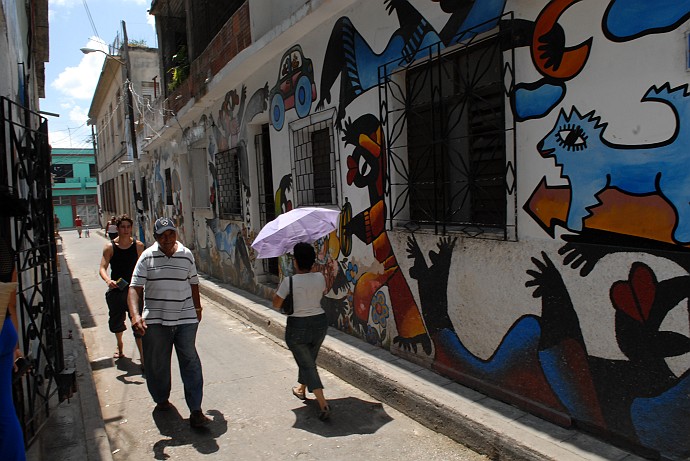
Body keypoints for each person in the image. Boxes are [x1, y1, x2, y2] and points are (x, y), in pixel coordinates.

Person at [127, 217, 210, 428]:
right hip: (155, 320)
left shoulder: (186, 255)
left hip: (185, 319)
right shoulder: (146, 257)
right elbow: (134, 288)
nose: (167, 239)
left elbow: (193, 283)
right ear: (155, 237)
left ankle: (196, 410)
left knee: (190, 361)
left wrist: (197, 308)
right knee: (157, 364)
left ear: (176, 234)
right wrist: (136, 316)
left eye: (171, 234)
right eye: (162, 235)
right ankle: (161, 397)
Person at [272, 242, 330, 420]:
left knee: (307, 364)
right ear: (312, 261)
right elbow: (323, 292)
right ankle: (300, 389)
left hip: (297, 327)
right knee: (308, 359)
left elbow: (276, 304)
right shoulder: (321, 277)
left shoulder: (289, 281)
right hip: (320, 323)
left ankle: (323, 404)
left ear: (295, 261)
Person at [99, 214, 145, 368]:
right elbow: (102, 267)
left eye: (128, 227)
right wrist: (108, 280)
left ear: (131, 228)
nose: (126, 230)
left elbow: (143, 267)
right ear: (117, 229)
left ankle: (143, 358)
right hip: (117, 290)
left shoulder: (138, 246)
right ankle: (120, 345)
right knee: (117, 323)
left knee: (138, 323)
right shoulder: (110, 247)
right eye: (123, 227)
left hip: (134, 290)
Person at [0, 236, 26, 460]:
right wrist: (15, 345)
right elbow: (10, 303)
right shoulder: (4, 251)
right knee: (4, 409)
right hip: (4, 328)